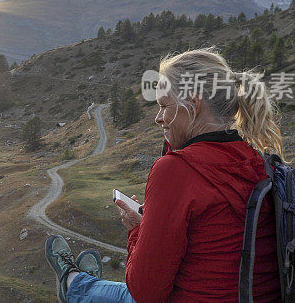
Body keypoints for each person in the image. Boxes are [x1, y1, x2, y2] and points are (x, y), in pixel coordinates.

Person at [45, 47, 282, 302]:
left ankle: (73, 284)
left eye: (163, 106)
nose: (158, 118)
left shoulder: (179, 170)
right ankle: (78, 283)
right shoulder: (258, 161)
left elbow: (145, 292)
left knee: (127, 296)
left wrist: (137, 230)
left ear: (193, 103)